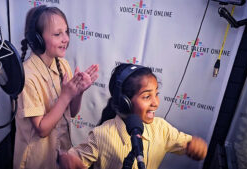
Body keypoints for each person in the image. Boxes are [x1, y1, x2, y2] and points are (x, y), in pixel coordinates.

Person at [59, 63, 207, 169]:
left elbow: (191, 145)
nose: (155, 102)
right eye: (147, 96)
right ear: (125, 102)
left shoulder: (162, 128)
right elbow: (72, 159)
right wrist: (69, 162)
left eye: (156, 94)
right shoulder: (101, 135)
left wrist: (195, 147)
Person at [13, 5, 99, 169]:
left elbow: (71, 112)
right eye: (57, 34)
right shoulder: (27, 76)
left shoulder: (63, 65)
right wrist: (66, 96)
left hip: (59, 156)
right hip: (36, 161)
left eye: (66, 32)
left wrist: (78, 92)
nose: (65, 38)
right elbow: (42, 129)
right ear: (37, 38)